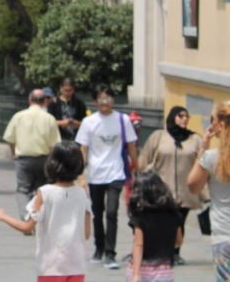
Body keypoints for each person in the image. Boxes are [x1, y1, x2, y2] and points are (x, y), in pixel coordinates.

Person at [0, 140, 92, 282]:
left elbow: (27, 227)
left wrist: (2, 216)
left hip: (51, 265)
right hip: (76, 264)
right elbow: (86, 234)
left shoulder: (45, 193)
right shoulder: (82, 194)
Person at [75, 83, 138, 269]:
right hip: (95, 174)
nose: (105, 102)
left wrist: (137, 169)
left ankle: (111, 253)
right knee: (97, 213)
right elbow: (83, 148)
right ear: (95, 101)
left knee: (111, 212)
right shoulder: (89, 122)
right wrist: (81, 174)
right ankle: (99, 248)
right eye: (101, 99)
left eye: (108, 98)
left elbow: (132, 146)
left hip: (116, 172)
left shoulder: (123, 120)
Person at [138, 106, 203, 266]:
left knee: (179, 221)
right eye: (180, 116)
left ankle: (174, 253)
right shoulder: (159, 136)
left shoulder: (194, 139)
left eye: (187, 116)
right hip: (160, 190)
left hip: (184, 189)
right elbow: (144, 159)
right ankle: (162, 251)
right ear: (172, 117)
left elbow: (202, 161)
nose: (184, 119)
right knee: (163, 221)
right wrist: (144, 175)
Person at [188, 102, 230, 279]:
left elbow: (193, 186)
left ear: (220, 124)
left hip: (224, 235)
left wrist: (203, 147)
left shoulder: (212, 157)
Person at [2, 89, 61, 215]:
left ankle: (26, 217)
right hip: (44, 159)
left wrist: (14, 154)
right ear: (44, 101)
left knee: (23, 189)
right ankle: (41, 216)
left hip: (23, 159)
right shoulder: (49, 118)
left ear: (30, 100)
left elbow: (9, 138)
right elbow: (54, 144)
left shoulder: (18, 116)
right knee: (43, 189)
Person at [126, 170, 182, 282]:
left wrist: (136, 274)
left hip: (143, 270)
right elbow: (178, 241)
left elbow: (138, 244)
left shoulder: (141, 216)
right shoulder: (173, 214)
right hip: (164, 271)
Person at [48, 78, 87, 142]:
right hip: (58, 138)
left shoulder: (79, 103)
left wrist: (75, 123)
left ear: (73, 90)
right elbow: (49, 122)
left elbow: (85, 122)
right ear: (61, 88)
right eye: (66, 90)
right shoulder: (53, 103)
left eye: (70, 90)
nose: (68, 93)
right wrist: (62, 123)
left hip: (76, 138)